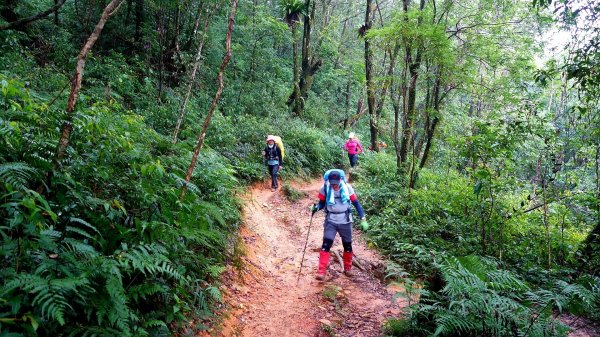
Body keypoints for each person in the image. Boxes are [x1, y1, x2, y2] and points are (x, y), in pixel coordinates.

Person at [310, 169, 369, 280]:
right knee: (326, 245)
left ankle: (348, 268)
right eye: (332, 184)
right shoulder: (325, 188)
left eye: (336, 184)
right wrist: (316, 208)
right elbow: (322, 203)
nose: (334, 187)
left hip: (345, 221)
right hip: (331, 220)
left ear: (340, 180)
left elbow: (356, 204)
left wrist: (363, 219)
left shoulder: (347, 188)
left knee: (347, 246)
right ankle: (321, 272)